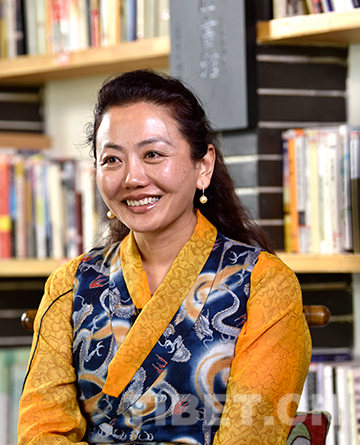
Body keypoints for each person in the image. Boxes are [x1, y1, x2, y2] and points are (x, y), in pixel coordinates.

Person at [17, 69, 311, 445]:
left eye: (153, 154)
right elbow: (41, 431)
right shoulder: (70, 284)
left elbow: (250, 435)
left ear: (203, 166)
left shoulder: (264, 284)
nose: (132, 178)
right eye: (112, 160)